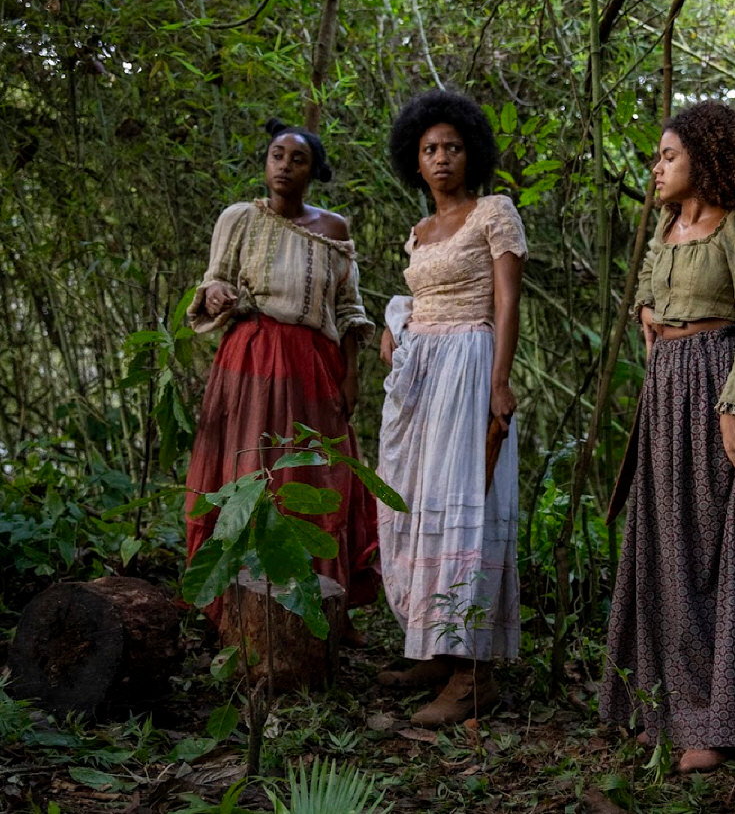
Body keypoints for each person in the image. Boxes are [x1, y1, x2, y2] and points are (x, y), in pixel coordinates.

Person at [599, 100, 735, 774]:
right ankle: (666, 711)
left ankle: (722, 718)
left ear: (704, 159)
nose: (657, 167)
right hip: (668, 393)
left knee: (719, 551)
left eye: (668, 155)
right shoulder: (669, 224)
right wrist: (651, 311)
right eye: (658, 156)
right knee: (669, 550)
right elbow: (653, 292)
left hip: (721, 384)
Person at [184, 119, 379, 636]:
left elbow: (348, 308)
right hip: (248, 360)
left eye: (298, 159)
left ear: (313, 171)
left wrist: (352, 375)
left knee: (313, 473)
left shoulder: (334, 229)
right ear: (266, 162)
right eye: (277, 155)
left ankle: (317, 611)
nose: (285, 167)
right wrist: (216, 295)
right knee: (245, 468)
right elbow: (214, 280)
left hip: (313, 364)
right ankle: (231, 613)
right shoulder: (239, 218)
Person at [375, 89, 526, 727]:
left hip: (469, 365)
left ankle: (473, 675)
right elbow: (423, 294)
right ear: (415, 160)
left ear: (472, 154)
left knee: (465, 508)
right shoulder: (418, 233)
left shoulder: (493, 212)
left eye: (454, 148)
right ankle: (437, 648)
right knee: (416, 505)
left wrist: (499, 383)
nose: (442, 158)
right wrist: (398, 322)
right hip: (421, 378)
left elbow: (507, 302)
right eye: (430, 149)